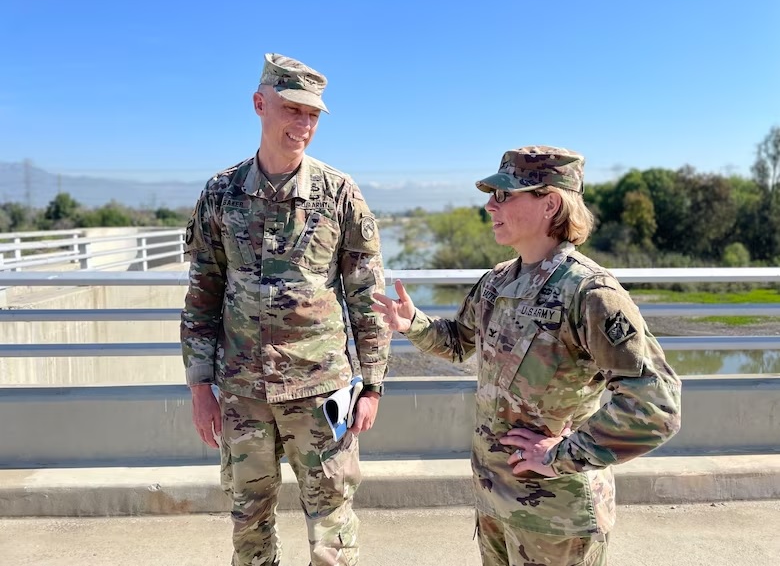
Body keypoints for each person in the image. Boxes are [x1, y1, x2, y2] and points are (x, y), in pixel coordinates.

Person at [371, 145, 682, 566]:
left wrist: (560, 455)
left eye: (505, 195)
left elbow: (656, 404)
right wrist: (414, 324)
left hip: (557, 519)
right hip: (494, 503)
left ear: (550, 203)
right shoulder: (498, 281)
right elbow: (461, 342)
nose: (489, 206)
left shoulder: (589, 293)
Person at [181, 53, 391, 566]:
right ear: (260, 105)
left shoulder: (340, 194)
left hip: (322, 391)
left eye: (313, 115)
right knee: (248, 522)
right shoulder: (221, 193)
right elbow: (203, 294)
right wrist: (199, 387)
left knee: (332, 527)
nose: (303, 124)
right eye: (292, 109)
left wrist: (374, 383)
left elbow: (366, 295)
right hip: (241, 392)